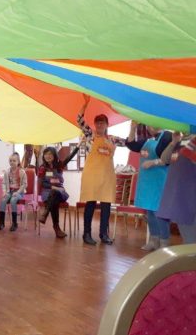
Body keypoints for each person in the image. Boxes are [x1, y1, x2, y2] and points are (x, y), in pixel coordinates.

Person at [77, 95, 126, 245]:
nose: (99, 125)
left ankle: (104, 234)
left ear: (106, 124)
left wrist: (135, 123)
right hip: (92, 176)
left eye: (102, 122)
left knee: (106, 206)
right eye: (97, 122)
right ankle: (86, 234)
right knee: (90, 204)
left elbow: (130, 143)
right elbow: (79, 120)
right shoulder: (90, 136)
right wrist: (85, 105)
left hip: (107, 177)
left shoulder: (113, 140)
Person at [126, 122, 173, 250]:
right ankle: (154, 240)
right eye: (148, 124)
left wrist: (154, 162)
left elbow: (169, 158)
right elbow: (131, 144)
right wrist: (132, 128)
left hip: (160, 181)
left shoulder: (167, 136)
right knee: (150, 212)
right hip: (147, 182)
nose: (150, 126)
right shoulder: (147, 140)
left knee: (159, 212)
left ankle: (164, 243)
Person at [157, 134, 196, 244]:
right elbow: (164, 159)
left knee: (191, 240)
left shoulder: (193, 143)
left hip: (190, 199)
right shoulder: (179, 143)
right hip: (178, 198)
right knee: (188, 238)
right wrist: (173, 142)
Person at [37, 144, 80, 238]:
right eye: (46, 154)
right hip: (47, 192)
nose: (47, 156)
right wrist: (54, 188)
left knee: (55, 195)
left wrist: (78, 146)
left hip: (60, 192)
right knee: (54, 200)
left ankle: (45, 214)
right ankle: (57, 228)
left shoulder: (59, 166)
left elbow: (69, 157)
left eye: (50, 154)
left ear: (54, 155)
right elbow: (42, 183)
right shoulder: (42, 168)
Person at [0, 152, 27, 232]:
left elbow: (24, 184)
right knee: (3, 200)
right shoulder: (7, 172)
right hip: (9, 191)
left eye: (14, 161)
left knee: (13, 200)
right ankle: (1, 223)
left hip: (19, 192)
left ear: (18, 162)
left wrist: (18, 192)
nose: (12, 162)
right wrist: (4, 192)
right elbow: (3, 183)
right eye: (10, 161)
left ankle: (14, 223)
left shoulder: (22, 172)